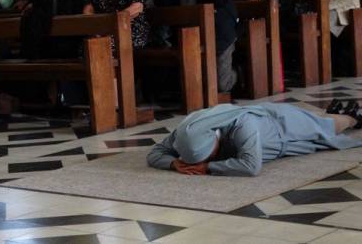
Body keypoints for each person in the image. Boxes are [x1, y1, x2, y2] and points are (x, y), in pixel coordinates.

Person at [147, 102, 362, 176]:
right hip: (277, 142)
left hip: (283, 126)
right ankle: (340, 113)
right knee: (322, 126)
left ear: (214, 137)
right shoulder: (185, 132)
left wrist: (209, 167)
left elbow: (251, 166)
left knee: (327, 127)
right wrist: (174, 163)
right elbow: (154, 153)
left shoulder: (242, 124)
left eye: (210, 153)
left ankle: (352, 117)